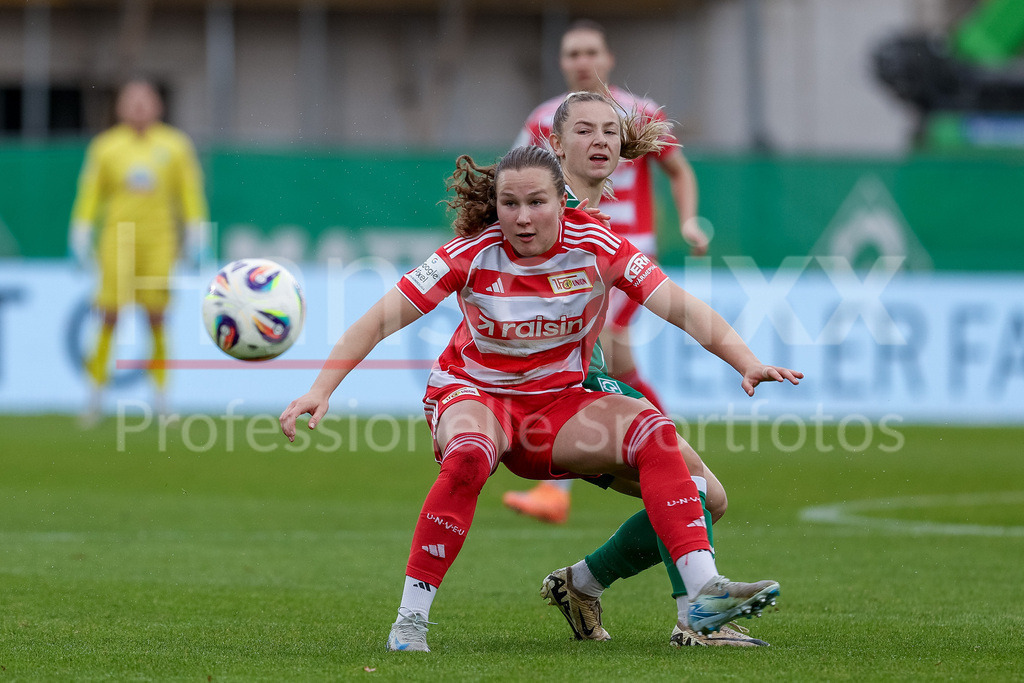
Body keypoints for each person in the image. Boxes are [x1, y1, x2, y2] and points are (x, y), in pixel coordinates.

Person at [279, 144, 801, 652]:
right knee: (468, 457)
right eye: (510, 204)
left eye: (536, 203)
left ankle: (702, 595)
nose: (522, 218)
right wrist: (319, 390)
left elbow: (681, 308)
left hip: (557, 408)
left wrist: (747, 361)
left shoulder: (598, 245)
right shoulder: (468, 255)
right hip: (475, 395)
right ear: (496, 207)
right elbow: (375, 322)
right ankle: (410, 622)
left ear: (560, 201)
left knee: (655, 431)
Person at [537, 91, 766, 647]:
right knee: (689, 481)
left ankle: (582, 583)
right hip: (550, 393)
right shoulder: (544, 208)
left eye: (610, 133)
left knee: (707, 497)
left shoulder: (595, 225)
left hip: (582, 380)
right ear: (556, 143)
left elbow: (678, 304)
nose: (600, 142)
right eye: (585, 131)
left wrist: (747, 360)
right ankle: (697, 618)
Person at [504, 19, 709, 525]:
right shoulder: (543, 118)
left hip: (626, 250)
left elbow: (678, 169)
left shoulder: (637, 113)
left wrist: (687, 221)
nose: (582, 61)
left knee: (593, 351)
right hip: (567, 252)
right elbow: (514, 171)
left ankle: (569, 488)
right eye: (573, 53)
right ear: (562, 62)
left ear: (608, 58)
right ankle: (670, 450)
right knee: (612, 362)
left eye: (591, 51)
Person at [69, 79, 208, 424]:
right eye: (132, 101)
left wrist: (197, 231)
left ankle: (162, 397)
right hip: (118, 240)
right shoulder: (106, 147)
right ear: (120, 107)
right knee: (109, 314)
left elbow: (189, 192)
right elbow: (90, 193)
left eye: (146, 101)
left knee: (157, 316)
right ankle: (94, 394)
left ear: (158, 106)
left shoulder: (175, 146)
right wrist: (81, 229)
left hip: (159, 242)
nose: (139, 107)